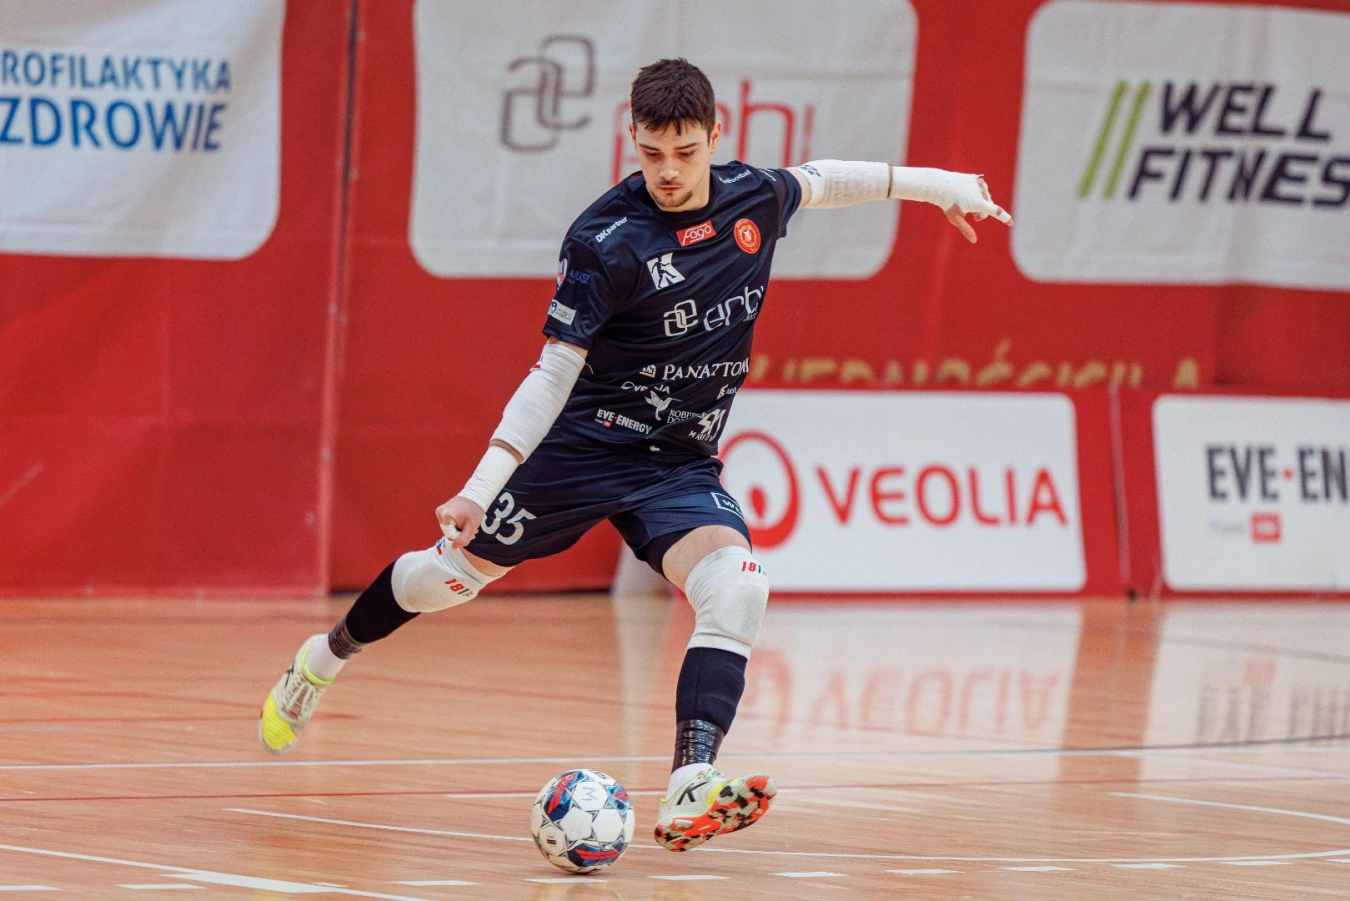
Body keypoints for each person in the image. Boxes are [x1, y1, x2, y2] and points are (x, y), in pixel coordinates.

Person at [259, 58, 1011, 852]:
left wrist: (942, 185)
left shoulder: (753, 198)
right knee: (444, 581)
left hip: (676, 461)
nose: (669, 171)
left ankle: (692, 780)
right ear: (633, 139)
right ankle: (322, 658)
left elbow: (827, 180)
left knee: (739, 583)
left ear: (715, 135)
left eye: (685, 152)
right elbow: (552, 373)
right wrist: (481, 487)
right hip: (583, 448)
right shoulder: (605, 240)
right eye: (652, 153)